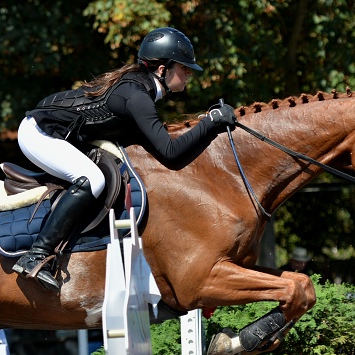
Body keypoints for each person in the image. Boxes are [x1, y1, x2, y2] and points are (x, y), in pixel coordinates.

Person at [13, 27, 238, 292]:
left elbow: (170, 156)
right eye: (184, 67)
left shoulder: (140, 90)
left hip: (61, 133)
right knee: (92, 180)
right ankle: (36, 255)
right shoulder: (137, 97)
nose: (189, 72)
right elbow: (171, 153)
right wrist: (211, 122)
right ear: (162, 69)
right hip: (40, 132)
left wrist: (208, 125)